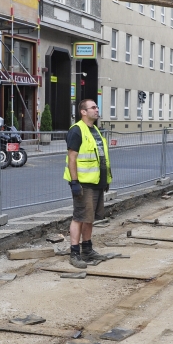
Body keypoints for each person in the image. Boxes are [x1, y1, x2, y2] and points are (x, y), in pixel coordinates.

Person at [65, 99, 112, 269]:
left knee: (89, 218)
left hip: (96, 182)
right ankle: (74, 253)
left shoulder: (95, 131)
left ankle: (87, 249)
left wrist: (105, 179)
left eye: (97, 107)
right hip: (83, 183)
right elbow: (72, 158)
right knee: (79, 217)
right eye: (93, 107)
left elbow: (100, 157)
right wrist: (75, 182)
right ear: (83, 112)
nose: (96, 110)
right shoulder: (77, 130)